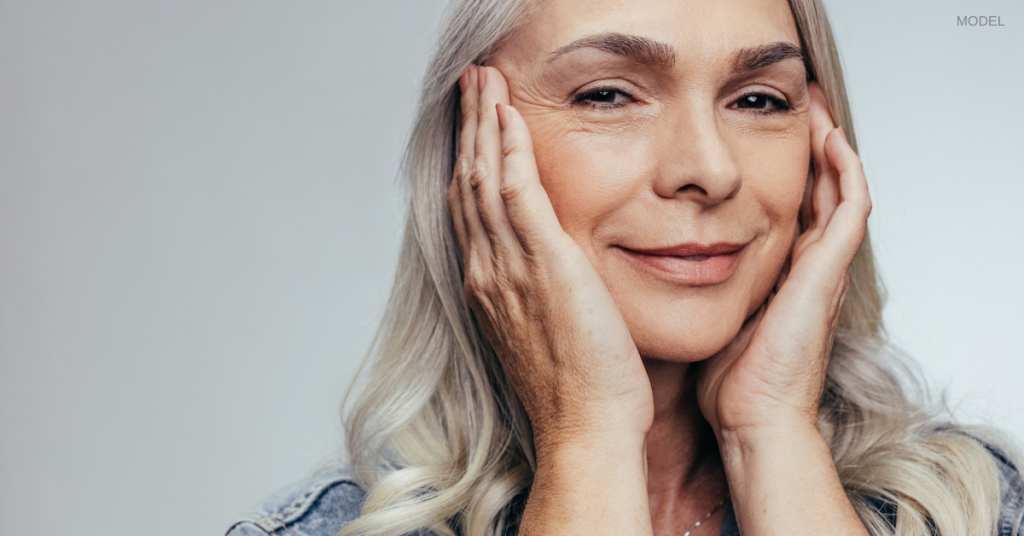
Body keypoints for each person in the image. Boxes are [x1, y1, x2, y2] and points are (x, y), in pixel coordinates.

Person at [225, 0, 1024, 535]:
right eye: (608, 94)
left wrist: (770, 431)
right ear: (473, 150)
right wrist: (588, 439)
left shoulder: (978, 509)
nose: (709, 170)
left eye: (757, 100)